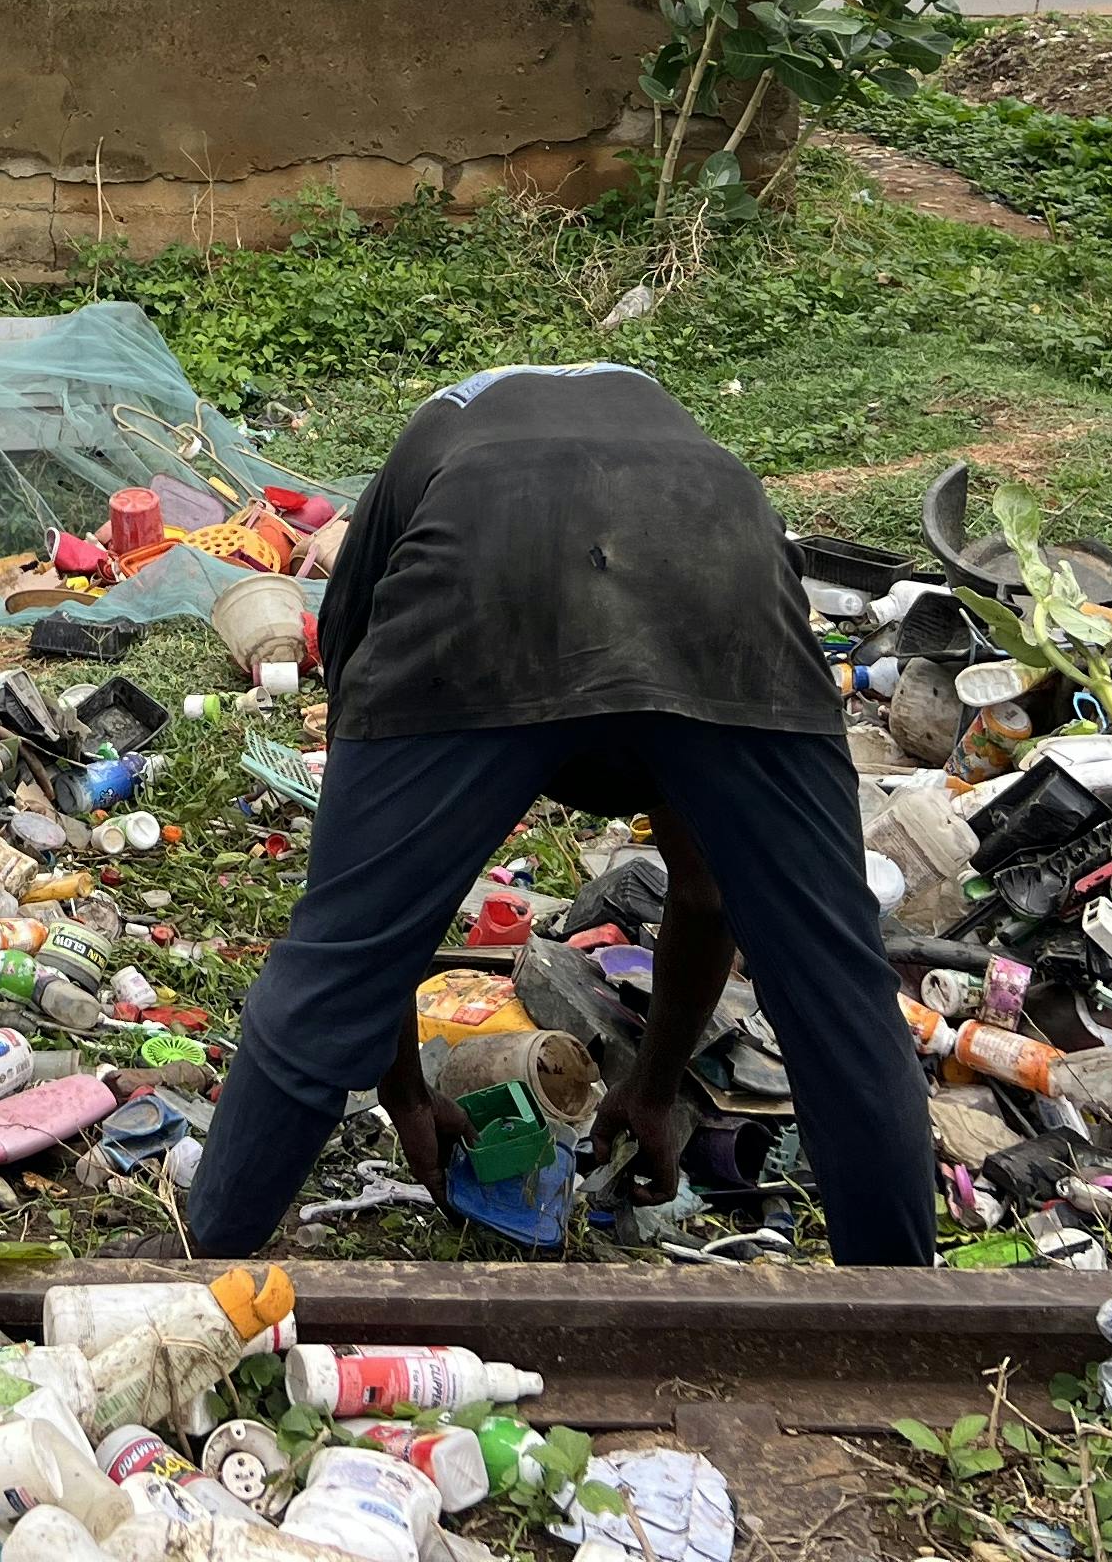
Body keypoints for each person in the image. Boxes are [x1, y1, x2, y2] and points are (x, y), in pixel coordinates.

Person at [183, 361, 935, 1264]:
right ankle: (913, 1322)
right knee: (838, 988)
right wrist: (651, 1088)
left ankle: (187, 1283)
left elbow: (368, 903)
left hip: (494, 551)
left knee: (330, 967)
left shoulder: (413, 487)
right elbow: (708, 892)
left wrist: (410, 1097)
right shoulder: (648, 425)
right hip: (719, 550)